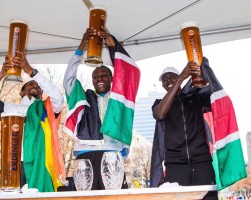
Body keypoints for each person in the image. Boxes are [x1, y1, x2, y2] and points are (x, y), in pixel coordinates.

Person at [62, 27, 140, 191]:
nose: (100, 79)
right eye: (96, 76)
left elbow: (128, 73)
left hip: (113, 156)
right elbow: (68, 80)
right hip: (86, 156)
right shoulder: (84, 98)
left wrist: (114, 47)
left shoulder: (120, 98)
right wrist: (81, 49)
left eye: (104, 75)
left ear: (112, 78)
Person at [0, 52, 64, 189]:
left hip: (42, 163)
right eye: (30, 84)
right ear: (21, 92)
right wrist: (2, 74)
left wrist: (31, 72)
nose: (35, 86)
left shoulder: (47, 108)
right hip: (16, 165)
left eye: (38, 85)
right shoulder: (9, 109)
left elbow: (58, 97)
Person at [150, 59, 219, 199]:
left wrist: (203, 66)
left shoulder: (196, 98)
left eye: (172, 76)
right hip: (175, 166)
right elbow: (160, 114)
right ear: (162, 85)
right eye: (165, 79)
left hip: (202, 162)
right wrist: (180, 77)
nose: (168, 80)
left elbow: (214, 91)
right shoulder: (159, 104)